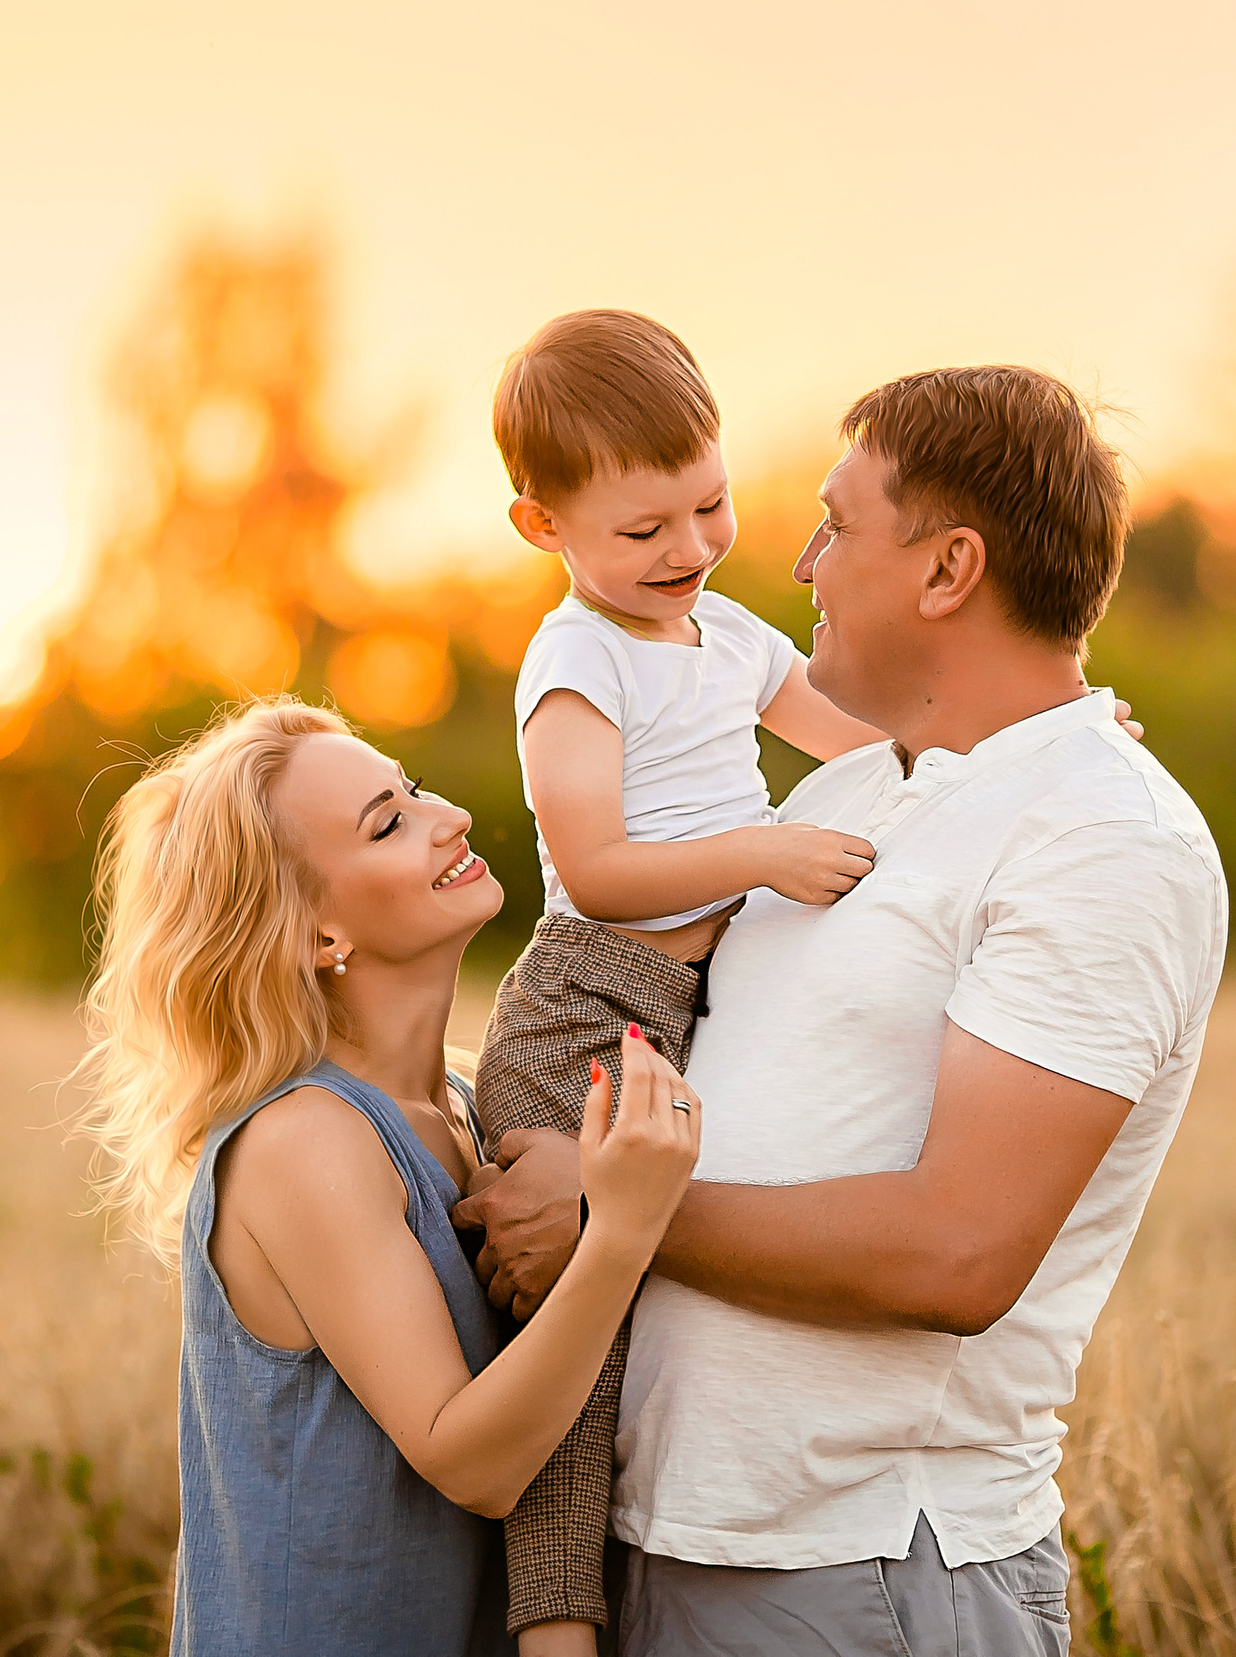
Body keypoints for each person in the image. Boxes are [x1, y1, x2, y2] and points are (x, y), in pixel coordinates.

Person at [458, 366, 1230, 1657]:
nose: (798, 564)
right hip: (674, 1542)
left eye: (836, 524)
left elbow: (959, 1252)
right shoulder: (842, 799)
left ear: (947, 570)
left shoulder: (1103, 837)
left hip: (861, 1568)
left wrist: (604, 1214)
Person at [71, 699, 705, 1657]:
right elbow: (472, 1461)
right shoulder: (307, 1139)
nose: (447, 814)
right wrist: (621, 1231)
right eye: (389, 821)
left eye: (411, 788)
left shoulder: (461, 1101)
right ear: (316, 934)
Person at [473, 308, 885, 1655]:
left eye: (709, 505)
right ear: (547, 528)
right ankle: (554, 1632)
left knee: (645, 1335)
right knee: (572, 1369)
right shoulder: (576, 658)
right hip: (585, 1007)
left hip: (684, 1009)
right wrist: (764, 849)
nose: (690, 550)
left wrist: (1032, 726)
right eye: (643, 530)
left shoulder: (725, 632)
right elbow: (594, 865)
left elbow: (867, 737)